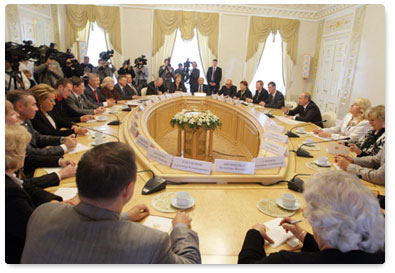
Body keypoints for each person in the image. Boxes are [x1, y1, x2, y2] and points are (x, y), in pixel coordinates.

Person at [21, 142, 201, 264]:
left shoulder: (42, 213)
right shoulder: (152, 243)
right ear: (127, 189)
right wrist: (181, 229)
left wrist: (125, 217)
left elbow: (88, 229)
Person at [238, 171, 384, 264]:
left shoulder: (286, 262)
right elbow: (335, 255)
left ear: (321, 223)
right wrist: (302, 235)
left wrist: (255, 234)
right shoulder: (381, 256)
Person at [5, 124, 78, 264]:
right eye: (22, 150)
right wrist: (58, 210)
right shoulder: (9, 193)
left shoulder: (10, 178)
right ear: (13, 154)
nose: (25, 155)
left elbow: (26, 186)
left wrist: (53, 202)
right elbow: (37, 228)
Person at [6, 90, 78, 177]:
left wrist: (63, 139)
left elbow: (38, 137)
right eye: (33, 105)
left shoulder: (26, 121)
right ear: (20, 106)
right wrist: (64, 147)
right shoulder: (11, 132)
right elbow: (31, 155)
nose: (36, 108)